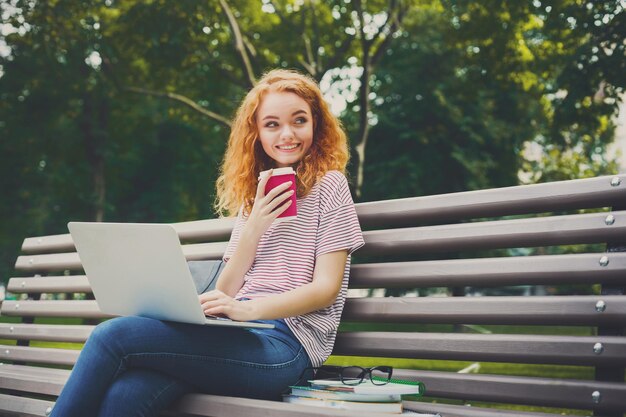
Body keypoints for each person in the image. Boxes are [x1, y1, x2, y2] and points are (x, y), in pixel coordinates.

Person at [49, 68, 364, 416]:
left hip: (287, 349)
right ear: (256, 133)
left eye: (299, 120)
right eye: (272, 124)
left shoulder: (330, 186)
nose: (287, 134)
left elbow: (326, 288)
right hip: (235, 337)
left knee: (112, 336)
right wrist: (254, 227)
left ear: (316, 126)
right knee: (127, 393)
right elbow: (226, 289)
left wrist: (251, 309)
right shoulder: (254, 198)